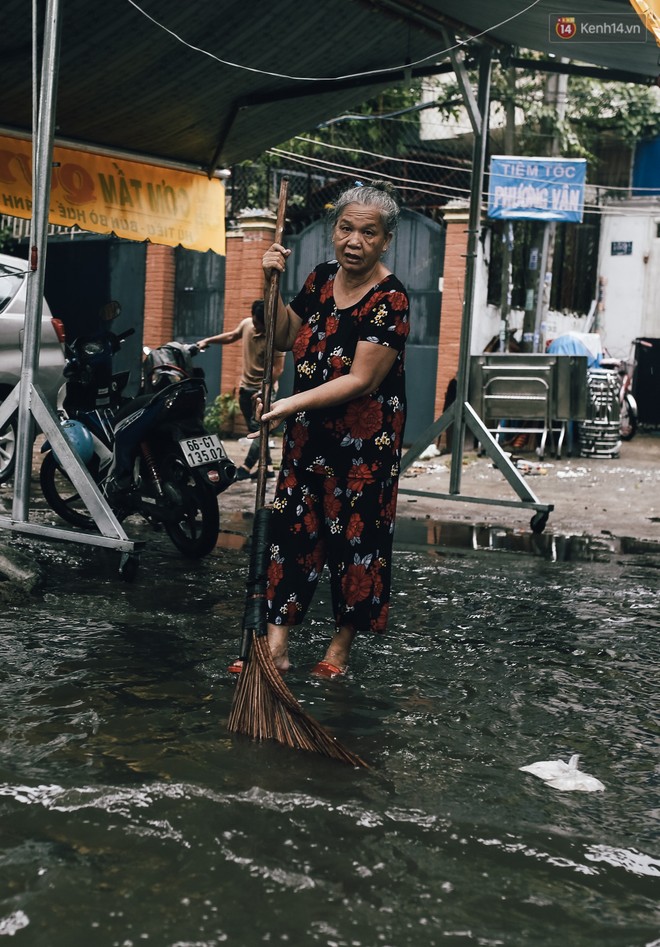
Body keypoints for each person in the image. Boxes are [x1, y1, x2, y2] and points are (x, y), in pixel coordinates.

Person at [250, 180, 410, 679]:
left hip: (364, 448)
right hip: (306, 439)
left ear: (385, 240)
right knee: (290, 534)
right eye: (345, 228)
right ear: (333, 231)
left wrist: (288, 402)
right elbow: (279, 337)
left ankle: (338, 649)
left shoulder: (391, 299)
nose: (354, 241)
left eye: (368, 232)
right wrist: (266, 281)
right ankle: (276, 647)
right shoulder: (319, 279)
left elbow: (362, 379)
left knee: (354, 546)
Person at [197, 300, 285, 480]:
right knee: (255, 429)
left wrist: (264, 389)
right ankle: (267, 468)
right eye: (254, 321)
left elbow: (278, 368)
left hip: (263, 391)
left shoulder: (273, 338)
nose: (256, 326)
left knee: (260, 431)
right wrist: (208, 340)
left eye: (260, 323)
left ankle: (245, 467)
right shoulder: (247, 324)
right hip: (246, 389)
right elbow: (232, 336)